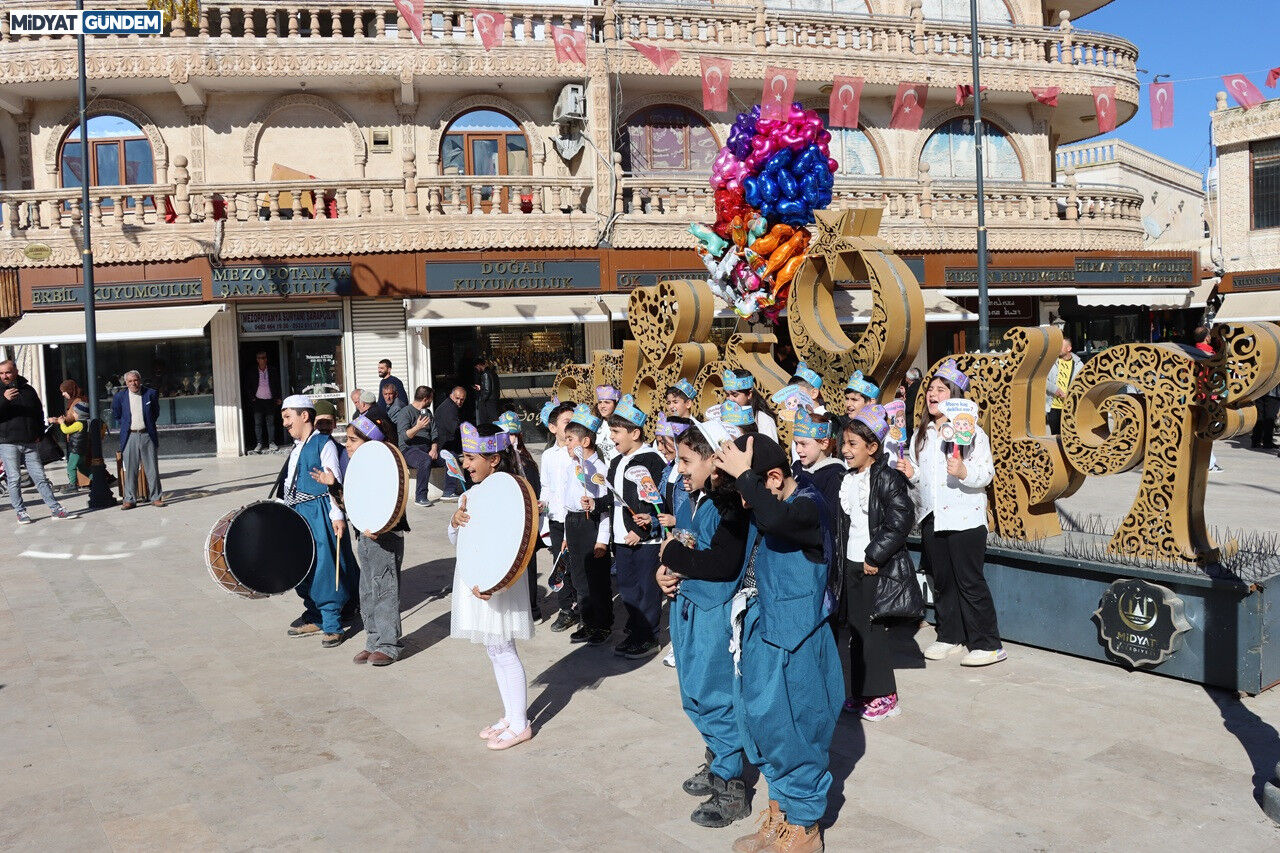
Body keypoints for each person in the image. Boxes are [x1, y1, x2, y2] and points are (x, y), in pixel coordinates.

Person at [714, 434, 843, 853]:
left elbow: (777, 519)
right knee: (765, 728)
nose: (746, 501)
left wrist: (745, 479)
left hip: (797, 641)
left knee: (797, 731)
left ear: (771, 477)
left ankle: (805, 825)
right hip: (762, 632)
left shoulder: (809, 504)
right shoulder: (763, 500)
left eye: (749, 488)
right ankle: (781, 811)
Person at [656, 423, 751, 829]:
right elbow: (678, 547)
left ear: (715, 459)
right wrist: (663, 572)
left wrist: (674, 555)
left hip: (713, 615)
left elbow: (720, 564)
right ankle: (716, 759)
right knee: (692, 692)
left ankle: (731, 786)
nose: (679, 470)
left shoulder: (728, 507)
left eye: (686, 461)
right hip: (685, 608)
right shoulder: (689, 498)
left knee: (714, 696)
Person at [897, 360, 1004, 667]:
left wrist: (964, 470)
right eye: (930, 388)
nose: (932, 393)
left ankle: (988, 643)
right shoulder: (923, 435)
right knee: (941, 581)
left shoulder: (973, 434)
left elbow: (986, 473)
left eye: (940, 389)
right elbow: (924, 477)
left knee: (969, 581)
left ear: (955, 396)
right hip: (933, 518)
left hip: (965, 519)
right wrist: (912, 473)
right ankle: (950, 636)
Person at [448, 422, 535, 750]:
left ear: (494, 458)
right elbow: (461, 540)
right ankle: (511, 715)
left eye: (471, 458)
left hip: (497, 584)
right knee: (493, 649)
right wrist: (454, 523)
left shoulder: (511, 491)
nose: (466, 465)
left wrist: (493, 582)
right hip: (475, 582)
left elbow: (512, 542)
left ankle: (521, 723)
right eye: (464, 457)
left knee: (504, 649)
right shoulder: (469, 494)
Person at [838, 406, 917, 722]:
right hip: (851, 563)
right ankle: (860, 691)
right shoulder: (847, 478)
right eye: (844, 443)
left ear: (872, 448)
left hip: (874, 565)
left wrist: (875, 555)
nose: (845, 450)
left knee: (873, 632)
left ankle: (885, 694)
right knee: (856, 631)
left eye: (853, 444)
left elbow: (901, 519)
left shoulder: (886, 478)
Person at [311, 413, 408, 665]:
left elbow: (395, 504)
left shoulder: (387, 467)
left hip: (384, 538)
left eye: (353, 440)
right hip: (364, 538)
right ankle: (373, 641)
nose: (347, 445)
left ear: (370, 443)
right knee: (366, 591)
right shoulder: (357, 468)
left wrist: (381, 525)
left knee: (384, 590)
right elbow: (351, 504)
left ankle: (389, 644)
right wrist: (333, 485)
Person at [279, 395, 356, 648]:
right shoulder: (296, 447)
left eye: (288, 416)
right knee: (303, 566)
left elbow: (334, 481)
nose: (285, 423)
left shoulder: (324, 443)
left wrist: (337, 516)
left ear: (304, 416)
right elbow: (289, 484)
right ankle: (314, 615)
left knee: (325, 567)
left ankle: (332, 623)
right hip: (299, 515)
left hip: (320, 512)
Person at [604, 395, 667, 659]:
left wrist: (641, 530)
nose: (612, 438)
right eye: (610, 432)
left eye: (616, 432)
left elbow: (656, 501)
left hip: (644, 540)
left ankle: (649, 637)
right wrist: (594, 503)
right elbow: (612, 496)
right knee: (627, 588)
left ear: (635, 432)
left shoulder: (652, 459)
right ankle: (638, 632)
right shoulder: (617, 461)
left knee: (646, 590)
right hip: (621, 537)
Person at [560, 404, 613, 646]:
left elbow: (605, 509)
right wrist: (564, 533)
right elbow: (568, 503)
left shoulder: (598, 470)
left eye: (570, 439)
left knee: (596, 578)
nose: (567, 443)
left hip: (590, 523)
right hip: (573, 523)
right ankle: (587, 621)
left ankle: (602, 624)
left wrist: (602, 539)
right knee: (579, 577)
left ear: (586, 441)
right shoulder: (572, 467)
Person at [0, 360, 75, 522]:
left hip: (30, 441)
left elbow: (38, 413)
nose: (4, 376)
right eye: (1, 373)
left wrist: (39, 434)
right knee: (14, 478)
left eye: (8, 372)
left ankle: (55, 509)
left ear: (16, 371)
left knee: (40, 476)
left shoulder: (28, 390)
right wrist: (4, 400)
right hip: (8, 442)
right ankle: (20, 512)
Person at [495, 410, 543, 621]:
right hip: (508, 520)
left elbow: (533, 493)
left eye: (508, 434)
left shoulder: (524, 461)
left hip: (524, 521)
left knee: (527, 565)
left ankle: (531, 608)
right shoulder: (503, 459)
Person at [655, 412, 693, 669]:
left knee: (681, 589)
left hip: (682, 538)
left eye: (664, 443)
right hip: (667, 539)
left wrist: (674, 521)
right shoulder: (668, 470)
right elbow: (659, 500)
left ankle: (682, 646)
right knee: (672, 590)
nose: (660, 449)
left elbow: (687, 510)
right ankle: (677, 642)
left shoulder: (687, 473)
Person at [539, 401, 579, 632]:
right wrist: (542, 504)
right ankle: (566, 609)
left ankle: (584, 608)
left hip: (577, 519)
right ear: (553, 428)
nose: (572, 427)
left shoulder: (579, 452)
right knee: (560, 566)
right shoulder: (548, 456)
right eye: (567, 423)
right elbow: (546, 486)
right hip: (556, 518)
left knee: (580, 567)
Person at [111, 369, 164, 510]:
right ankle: (129, 499)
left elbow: (155, 413)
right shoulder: (120, 397)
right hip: (130, 436)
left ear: (139, 380)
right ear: (126, 383)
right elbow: (117, 415)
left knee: (152, 469)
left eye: (135, 380)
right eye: (130, 381)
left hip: (147, 435)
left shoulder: (150, 393)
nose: (133, 383)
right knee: (130, 469)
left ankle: (156, 497)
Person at [394, 385, 438, 507]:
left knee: (450, 457)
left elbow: (434, 433)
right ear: (425, 399)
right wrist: (418, 427)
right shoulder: (405, 412)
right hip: (409, 449)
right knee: (425, 460)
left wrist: (434, 448)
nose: (431, 401)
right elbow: (404, 437)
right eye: (431, 398)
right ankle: (421, 497)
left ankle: (449, 491)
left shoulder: (427, 413)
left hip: (427, 448)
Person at [48, 380, 90, 493]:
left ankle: (72, 485)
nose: (63, 394)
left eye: (64, 391)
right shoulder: (75, 403)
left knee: (71, 466)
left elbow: (68, 424)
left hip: (76, 447)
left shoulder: (78, 403)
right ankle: (94, 480)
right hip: (78, 445)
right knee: (82, 467)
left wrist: (59, 421)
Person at [1193, 327, 1224, 472]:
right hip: (1207, 396)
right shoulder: (1210, 354)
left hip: (1195, 395)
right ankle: (1209, 463)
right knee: (1207, 429)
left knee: (1198, 428)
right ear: (1206, 338)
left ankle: (1207, 461)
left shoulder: (1189, 353)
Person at [243, 350, 282, 454]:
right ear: (257, 360)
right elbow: (248, 386)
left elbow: (277, 384)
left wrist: (278, 397)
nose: (262, 360)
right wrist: (252, 398)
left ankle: (271, 443)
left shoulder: (272, 370)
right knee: (258, 423)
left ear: (266, 359)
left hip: (270, 400)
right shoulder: (252, 371)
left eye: (264, 357)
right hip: (258, 401)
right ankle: (259, 443)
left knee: (271, 423)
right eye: (260, 358)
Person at [722, 368, 778, 439]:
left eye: (735, 395)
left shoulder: (763, 419)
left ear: (749, 394)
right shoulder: (726, 414)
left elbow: (769, 448)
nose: (730, 399)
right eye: (727, 395)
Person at [1044, 337, 1083, 436]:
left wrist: (1071, 395)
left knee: (1069, 435)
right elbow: (1043, 380)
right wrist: (1055, 390)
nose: (1057, 349)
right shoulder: (1050, 362)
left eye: (1060, 346)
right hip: (1053, 407)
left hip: (1070, 406)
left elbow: (1082, 384)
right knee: (1055, 436)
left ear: (1069, 348)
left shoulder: (1079, 365)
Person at [434, 385, 467, 499]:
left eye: (461, 399)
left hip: (447, 445)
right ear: (451, 396)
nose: (459, 402)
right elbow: (453, 429)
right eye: (457, 398)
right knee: (451, 458)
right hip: (442, 448)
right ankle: (449, 491)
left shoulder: (450, 406)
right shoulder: (449, 408)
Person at [593, 385, 620, 462]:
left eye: (607, 402)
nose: (602, 406)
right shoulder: (595, 425)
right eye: (600, 402)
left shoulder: (622, 426)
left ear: (616, 404)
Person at [472, 357, 500, 423]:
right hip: (494, 399)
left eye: (476, 367)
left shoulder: (485, 374)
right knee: (494, 420)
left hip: (488, 402)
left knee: (486, 421)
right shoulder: (493, 373)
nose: (476, 369)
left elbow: (487, 390)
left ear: (479, 365)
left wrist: (481, 400)